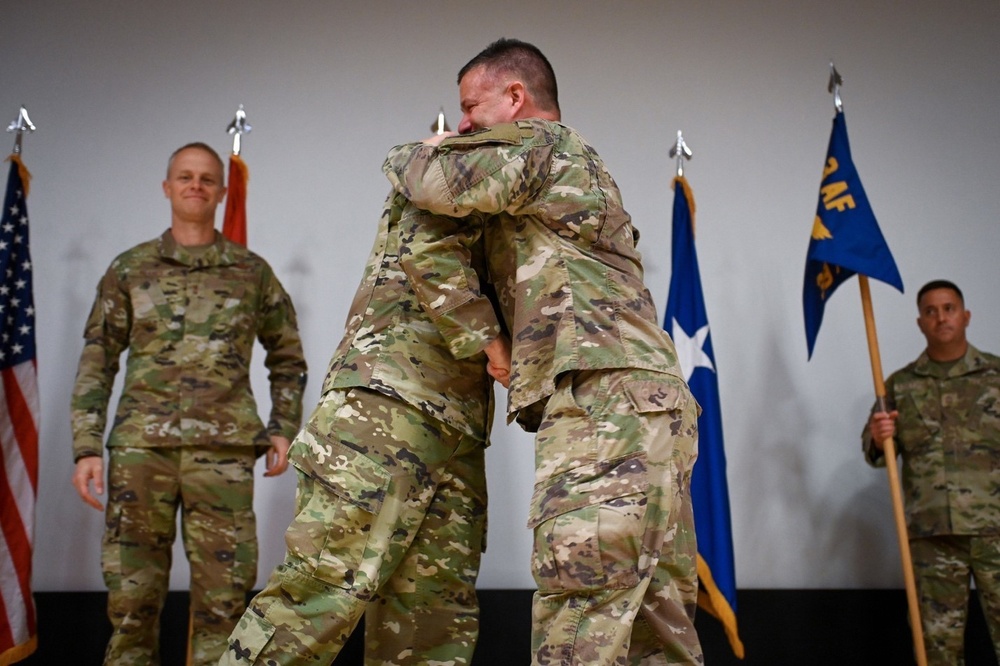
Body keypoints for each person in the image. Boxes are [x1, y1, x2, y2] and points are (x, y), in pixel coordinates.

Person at [384, 38, 703, 665]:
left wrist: (420, 148)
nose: (466, 123)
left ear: (515, 97)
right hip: (644, 405)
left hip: (602, 403)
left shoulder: (541, 145)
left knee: (578, 607)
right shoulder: (568, 166)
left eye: (472, 108)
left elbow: (433, 182)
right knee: (653, 628)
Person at [220, 191, 508, 665]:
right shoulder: (450, 171)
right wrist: (496, 348)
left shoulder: (518, 188)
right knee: (321, 591)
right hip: (385, 405)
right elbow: (428, 253)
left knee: (431, 615)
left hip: (459, 426)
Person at [70, 142, 308, 666]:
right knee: (131, 604)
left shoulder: (252, 272)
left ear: (223, 191)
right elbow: (98, 357)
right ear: (167, 187)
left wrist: (281, 426)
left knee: (224, 605)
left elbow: (288, 356)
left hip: (221, 455)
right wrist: (86, 446)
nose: (195, 186)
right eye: (185, 177)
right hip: (141, 453)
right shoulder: (130, 269)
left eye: (206, 178)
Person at [863, 279, 1000, 665]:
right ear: (920, 322)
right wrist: (878, 436)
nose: (941, 317)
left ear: (966, 316)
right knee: (937, 648)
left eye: (949, 308)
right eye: (930, 311)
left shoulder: (996, 375)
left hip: (996, 533)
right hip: (933, 537)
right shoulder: (900, 386)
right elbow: (874, 454)